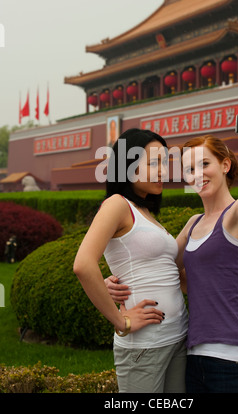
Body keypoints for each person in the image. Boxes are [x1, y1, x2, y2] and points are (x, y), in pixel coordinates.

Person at [73, 128, 189, 393]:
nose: (163, 171)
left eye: (165, 163)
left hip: (178, 337)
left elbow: (167, 274)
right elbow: (83, 264)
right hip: (144, 346)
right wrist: (120, 321)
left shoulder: (145, 211)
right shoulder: (117, 204)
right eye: (153, 163)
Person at [173, 112, 238, 393]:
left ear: (225, 164)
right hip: (194, 360)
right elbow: (164, 270)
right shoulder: (191, 224)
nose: (197, 175)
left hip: (236, 363)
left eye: (204, 164)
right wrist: (115, 284)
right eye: (189, 170)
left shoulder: (237, 215)